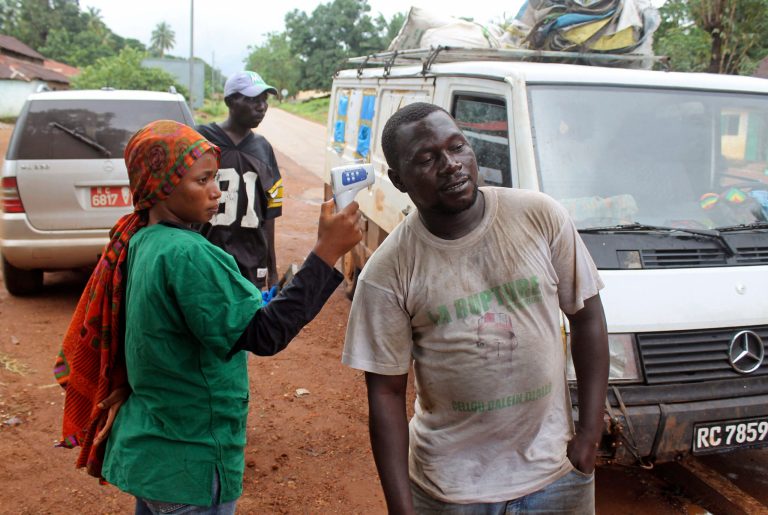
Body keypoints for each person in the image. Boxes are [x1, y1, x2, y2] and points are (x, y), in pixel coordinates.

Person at [55, 120, 362, 513]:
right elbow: (265, 334)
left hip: (153, 456)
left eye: (215, 178)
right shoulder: (189, 254)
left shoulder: (139, 239)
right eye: (202, 180)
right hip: (191, 466)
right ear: (162, 187)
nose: (217, 190)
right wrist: (326, 252)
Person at [341, 103, 609, 514]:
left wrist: (588, 436)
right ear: (398, 180)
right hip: (450, 489)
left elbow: (587, 316)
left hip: (557, 477)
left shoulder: (539, 216)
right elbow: (385, 393)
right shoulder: (388, 271)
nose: (451, 165)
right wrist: (401, 508)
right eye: (427, 159)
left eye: (457, 147)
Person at [197, 70, 283, 290]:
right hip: (205, 261)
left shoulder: (263, 149)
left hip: (250, 265)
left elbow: (270, 212)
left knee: (248, 322)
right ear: (230, 101)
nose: (261, 106)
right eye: (253, 99)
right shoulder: (201, 140)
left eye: (264, 100)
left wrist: (272, 271)